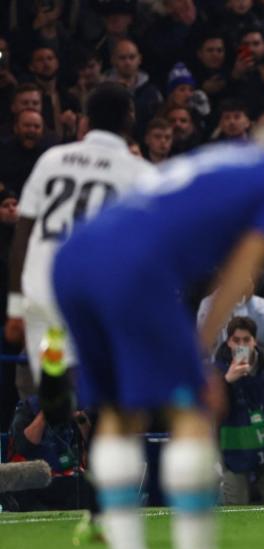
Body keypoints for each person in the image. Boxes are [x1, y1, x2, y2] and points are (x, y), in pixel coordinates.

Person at [50, 123, 264, 549]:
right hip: (134, 266)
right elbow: (243, 267)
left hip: (74, 259)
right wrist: (201, 347)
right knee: (192, 409)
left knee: (118, 413)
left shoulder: (215, 161)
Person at [5, 84, 153, 387]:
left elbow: (22, 237)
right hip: (96, 293)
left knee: (55, 389)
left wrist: (16, 308)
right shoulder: (140, 174)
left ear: (87, 119)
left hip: (44, 288)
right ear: (129, 118)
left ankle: (59, 398)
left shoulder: (52, 159)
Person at [216, 317, 264, 506]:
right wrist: (227, 382)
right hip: (234, 455)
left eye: (246, 340)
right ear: (228, 342)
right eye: (236, 340)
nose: (242, 345)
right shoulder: (216, 371)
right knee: (235, 513)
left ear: (255, 341)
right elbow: (209, 412)